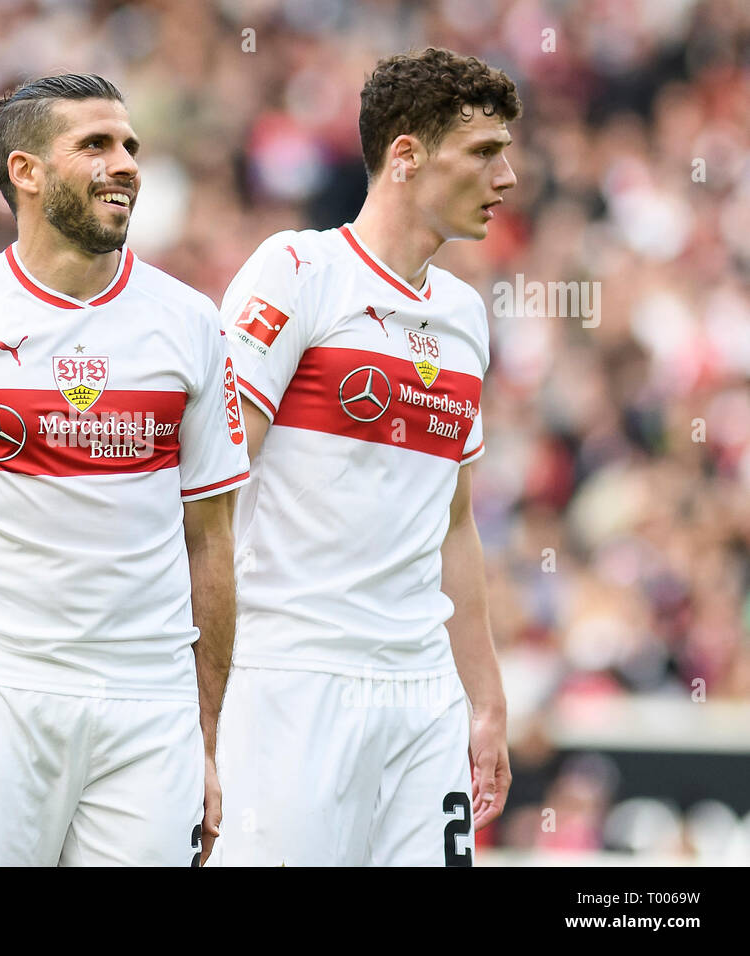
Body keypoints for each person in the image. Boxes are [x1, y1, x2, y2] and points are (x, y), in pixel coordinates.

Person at [0, 73, 250, 866]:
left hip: (149, 704)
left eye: (131, 146)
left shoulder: (192, 324)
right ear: (27, 171)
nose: (126, 164)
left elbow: (212, 548)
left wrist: (205, 742)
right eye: (96, 145)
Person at [214, 48, 519, 866]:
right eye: (486, 151)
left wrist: (483, 700)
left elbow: (454, 519)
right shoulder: (297, 272)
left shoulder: (463, 315)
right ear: (406, 156)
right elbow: (214, 478)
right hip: (294, 673)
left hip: (422, 690)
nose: (509, 175)